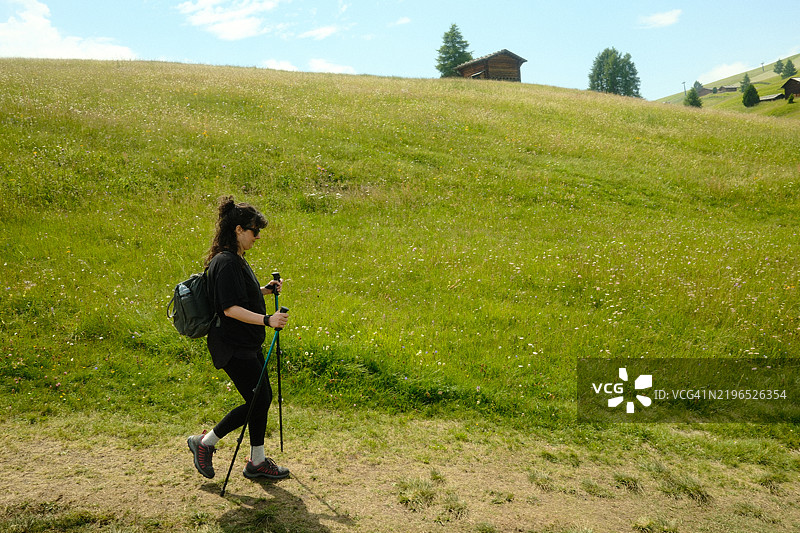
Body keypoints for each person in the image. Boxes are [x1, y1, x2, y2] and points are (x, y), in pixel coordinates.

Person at [187, 196, 290, 481]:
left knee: (261, 399)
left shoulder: (236, 260)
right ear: (238, 230)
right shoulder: (226, 262)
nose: (257, 237)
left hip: (247, 343)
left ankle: (256, 462)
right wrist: (268, 320)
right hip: (232, 345)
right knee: (258, 400)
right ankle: (204, 443)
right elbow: (229, 308)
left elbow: (240, 295)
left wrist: (265, 291)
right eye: (254, 231)